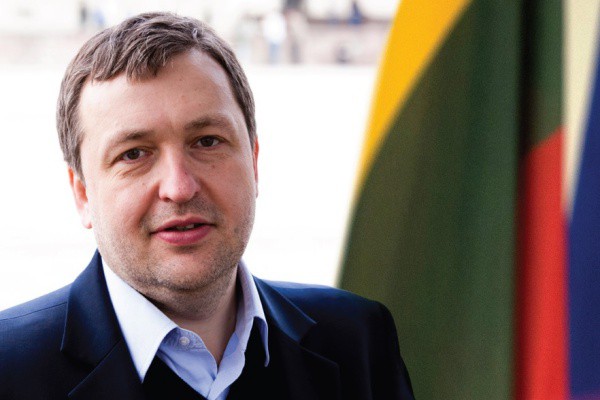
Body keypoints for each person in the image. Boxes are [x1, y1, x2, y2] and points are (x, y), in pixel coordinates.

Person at [0, 12, 414, 400]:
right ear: (83, 193)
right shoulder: (9, 371)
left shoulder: (357, 340)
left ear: (253, 161)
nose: (179, 188)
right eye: (134, 154)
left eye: (207, 141)